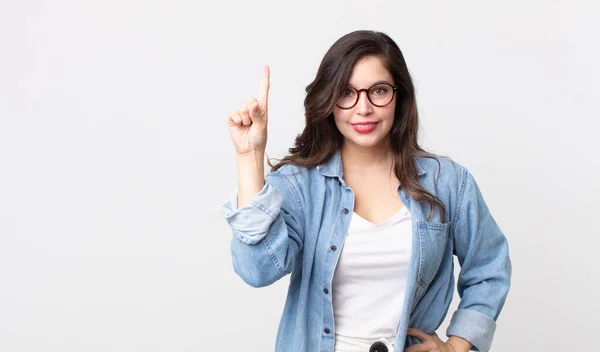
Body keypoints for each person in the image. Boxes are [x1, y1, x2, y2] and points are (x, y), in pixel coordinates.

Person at [220, 30, 511, 352]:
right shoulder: (299, 185)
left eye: (379, 91)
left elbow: (489, 267)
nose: (363, 108)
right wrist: (249, 158)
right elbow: (256, 270)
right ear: (329, 100)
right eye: (346, 93)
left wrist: (458, 345)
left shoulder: (448, 183)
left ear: (400, 97)